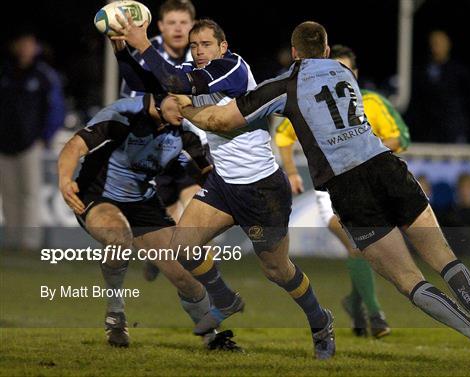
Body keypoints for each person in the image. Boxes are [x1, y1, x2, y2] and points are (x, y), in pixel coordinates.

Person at [171, 21, 470, 369]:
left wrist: (184, 106)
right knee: (446, 259)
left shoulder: (285, 84)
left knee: (408, 280)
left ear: (294, 53)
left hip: (349, 186)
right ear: (327, 51)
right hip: (388, 169)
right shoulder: (345, 74)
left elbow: (222, 120)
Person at [110, 17, 335, 359]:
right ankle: (225, 298)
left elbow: (172, 80)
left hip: (261, 188)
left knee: (277, 270)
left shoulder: (232, 68)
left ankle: (320, 322)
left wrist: (144, 44)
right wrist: (123, 51)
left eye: (206, 45)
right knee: (183, 247)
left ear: (223, 47)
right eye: (195, 45)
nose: (199, 51)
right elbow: (148, 83)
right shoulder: (193, 70)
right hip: (223, 184)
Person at [57, 93, 238, 350]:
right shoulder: (124, 115)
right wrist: (65, 180)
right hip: (97, 196)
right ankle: (116, 313)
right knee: (119, 237)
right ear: (160, 97)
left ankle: (213, 337)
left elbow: (207, 174)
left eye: (190, 104)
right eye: (180, 102)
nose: (185, 109)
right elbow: (75, 145)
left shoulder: (186, 134)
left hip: (143, 203)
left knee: (185, 275)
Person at [274, 44, 410, 338]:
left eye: (343, 68)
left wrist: (371, 150)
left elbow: (402, 136)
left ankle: (355, 302)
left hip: (368, 185)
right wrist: (293, 171)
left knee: (366, 247)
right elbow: (283, 136)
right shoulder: (310, 99)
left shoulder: (372, 102)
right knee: (355, 242)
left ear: (355, 73)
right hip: (330, 187)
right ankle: (376, 315)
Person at [119, 0, 203, 282]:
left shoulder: (201, 53)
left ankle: (208, 289)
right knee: (168, 223)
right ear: (160, 26)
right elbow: (131, 104)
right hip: (155, 151)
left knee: (195, 215)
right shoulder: (145, 56)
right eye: (172, 23)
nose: (178, 29)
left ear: (192, 25)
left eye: (184, 23)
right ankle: (161, 257)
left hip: (192, 148)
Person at [0, 31, 65, 251]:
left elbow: (56, 109)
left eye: (29, 43)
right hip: (4, 144)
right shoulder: (5, 72)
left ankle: (29, 242)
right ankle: (11, 240)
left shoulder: (43, 75)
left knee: (30, 193)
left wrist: (44, 138)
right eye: (21, 43)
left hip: (30, 144)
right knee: (8, 194)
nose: (25, 48)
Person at [406, 30, 470, 143]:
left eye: (440, 43)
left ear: (448, 45)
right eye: (433, 43)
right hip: (426, 133)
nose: (436, 47)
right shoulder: (419, 72)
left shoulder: (459, 73)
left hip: (453, 133)